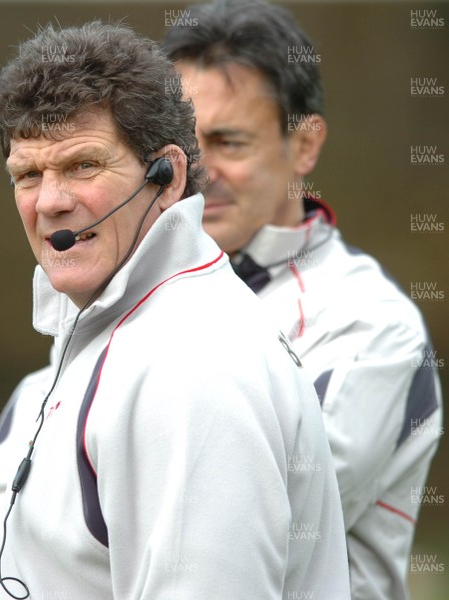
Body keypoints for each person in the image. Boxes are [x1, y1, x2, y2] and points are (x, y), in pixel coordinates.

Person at [0, 21, 350, 600]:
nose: (51, 201)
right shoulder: (121, 332)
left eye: (83, 165)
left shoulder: (191, 366)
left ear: (168, 176)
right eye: (28, 175)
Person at [161, 1, 443, 599]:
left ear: (305, 145)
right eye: (181, 144)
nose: (199, 172)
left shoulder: (372, 323)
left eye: (229, 142)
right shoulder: (116, 297)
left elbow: (258, 523)